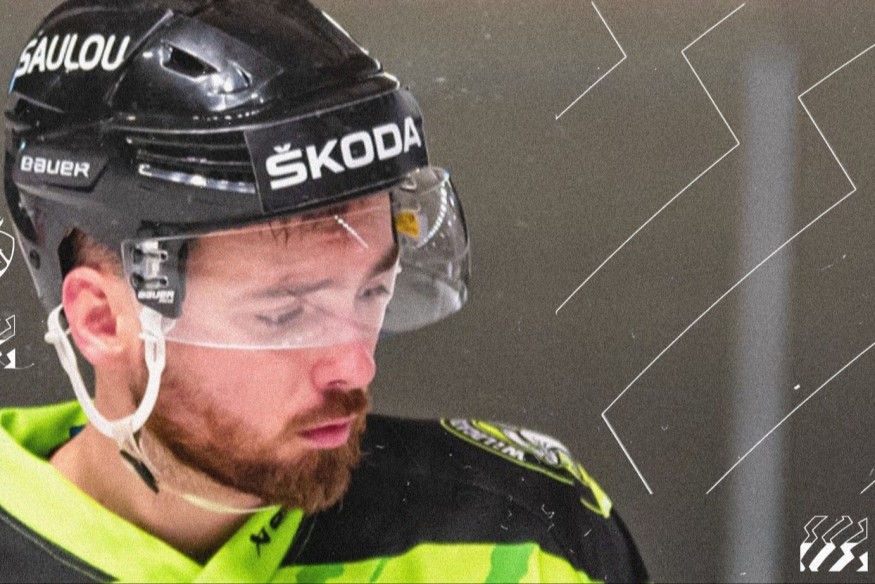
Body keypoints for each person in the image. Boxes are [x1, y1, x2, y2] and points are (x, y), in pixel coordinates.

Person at [0, 1, 649, 582]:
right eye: (284, 314)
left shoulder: (528, 541)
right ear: (103, 320)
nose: (357, 366)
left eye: (372, 291)